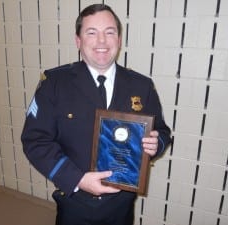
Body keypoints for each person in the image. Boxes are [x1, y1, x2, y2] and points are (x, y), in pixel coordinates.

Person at [21, 3, 171, 225]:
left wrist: (155, 145)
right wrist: (77, 179)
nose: (102, 41)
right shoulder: (54, 84)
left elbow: (162, 131)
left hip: (122, 204)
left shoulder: (142, 86)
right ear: (78, 41)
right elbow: (35, 140)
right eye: (92, 33)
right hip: (75, 201)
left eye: (109, 32)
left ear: (119, 40)